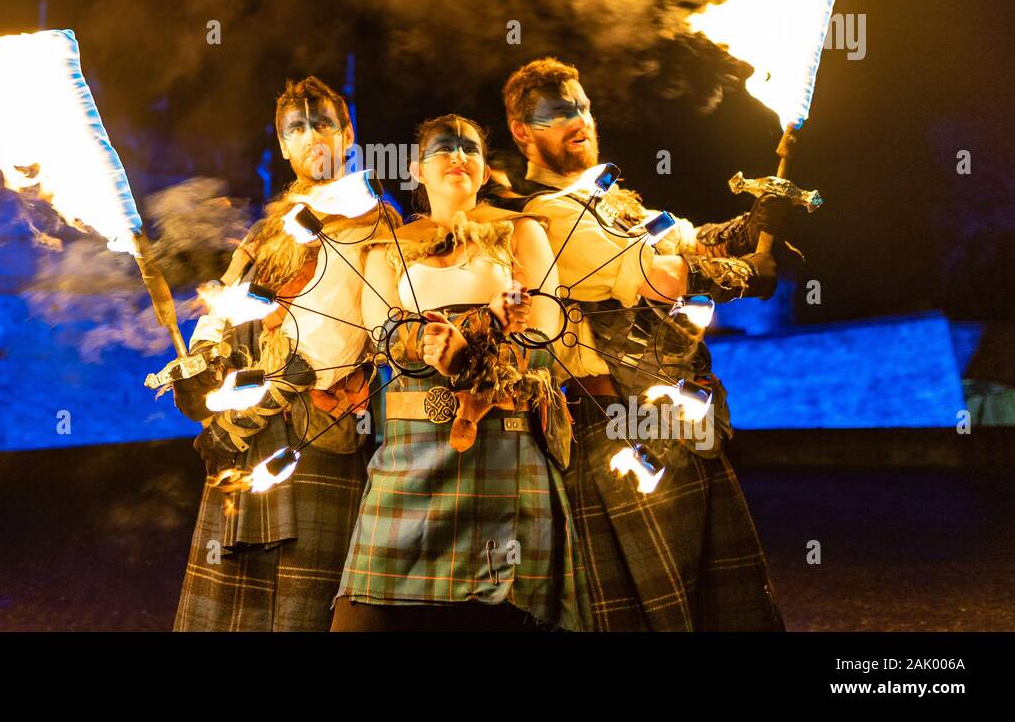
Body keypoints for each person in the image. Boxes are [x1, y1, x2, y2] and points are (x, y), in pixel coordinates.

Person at [496, 56, 788, 631]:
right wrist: (748, 274)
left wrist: (762, 215)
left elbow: (695, 240)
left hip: (684, 424)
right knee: (653, 617)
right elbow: (663, 276)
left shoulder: (616, 201)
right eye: (556, 113)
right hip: (618, 430)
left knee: (723, 610)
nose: (578, 119)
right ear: (521, 132)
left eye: (581, 105)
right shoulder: (544, 218)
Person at [330, 114, 589, 631]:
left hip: (501, 446)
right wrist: (455, 335)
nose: (457, 156)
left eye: (469, 148)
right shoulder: (389, 245)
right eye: (442, 149)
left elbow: (544, 338)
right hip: (407, 454)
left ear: (486, 168)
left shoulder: (521, 231)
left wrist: (470, 351)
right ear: (416, 170)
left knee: (491, 619)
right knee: (359, 619)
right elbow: (384, 340)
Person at [172, 75, 399, 631]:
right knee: (232, 609)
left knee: (304, 605)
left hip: (317, 428)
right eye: (296, 128)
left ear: (347, 134)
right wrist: (198, 365)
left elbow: (364, 334)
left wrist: (255, 410)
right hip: (246, 432)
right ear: (283, 145)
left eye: (322, 123)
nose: (311, 136)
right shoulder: (266, 230)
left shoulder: (377, 221)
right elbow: (220, 310)